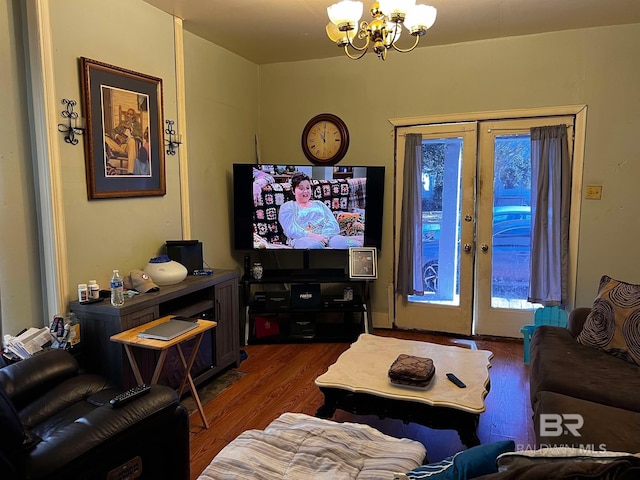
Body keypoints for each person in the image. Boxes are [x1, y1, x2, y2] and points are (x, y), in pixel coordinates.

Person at [278, 172, 362, 249]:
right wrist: (314, 236)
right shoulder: (287, 207)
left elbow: (333, 223)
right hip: (302, 239)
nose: (305, 191)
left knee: (354, 245)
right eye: (301, 188)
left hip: (328, 237)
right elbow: (290, 229)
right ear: (293, 191)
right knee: (315, 246)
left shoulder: (319, 204)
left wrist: (324, 236)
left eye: (308, 188)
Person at [104, 108, 144, 174]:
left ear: (134, 116)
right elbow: (112, 131)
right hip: (120, 146)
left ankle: (130, 172)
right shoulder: (122, 123)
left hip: (130, 147)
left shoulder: (137, 125)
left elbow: (140, 135)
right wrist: (117, 135)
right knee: (104, 137)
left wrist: (130, 128)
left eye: (131, 114)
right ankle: (110, 151)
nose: (128, 116)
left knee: (132, 141)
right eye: (127, 114)